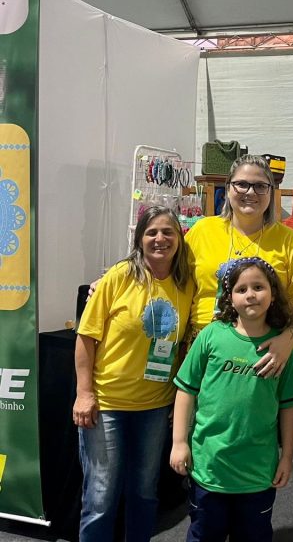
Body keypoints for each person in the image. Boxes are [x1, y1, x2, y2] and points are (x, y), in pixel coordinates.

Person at [73, 206, 194, 542]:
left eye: (168, 232)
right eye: (151, 232)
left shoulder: (186, 284)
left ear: (179, 239)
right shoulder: (119, 277)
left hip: (155, 406)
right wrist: (84, 393)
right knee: (100, 498)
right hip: (106, 404)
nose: (160, 239)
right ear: (139, 239)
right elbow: (86, 337)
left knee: (144, 493)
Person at [170, 257, 293, 542]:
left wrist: (287, 457)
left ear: (273, 294)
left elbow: (289, 407)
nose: (250, 294)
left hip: (257, 474)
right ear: (229, 297)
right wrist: (179, 442)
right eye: (241, 289)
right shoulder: (211, 336)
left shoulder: (282, 350)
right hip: (209, 468)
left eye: (258, 287)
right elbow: (186, 391)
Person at [185, 154, 293, 377]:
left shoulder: (290, 241)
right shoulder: (202, 231)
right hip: (205, 351)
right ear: (228, 188)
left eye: (260, 186)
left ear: (271, 192)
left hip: (267, 354)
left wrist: (287, 341)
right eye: (242, 184)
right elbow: (177, 283)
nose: (250, 192)